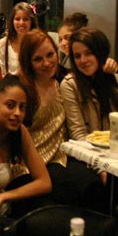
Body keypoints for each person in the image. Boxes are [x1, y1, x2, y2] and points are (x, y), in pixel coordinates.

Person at [17, 29, 104, 207]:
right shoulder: (22, 90)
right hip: (30, 165)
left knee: (92, 186)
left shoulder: (62, 81)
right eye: (38, 59)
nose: (47, 63)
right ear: (28, 62)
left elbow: (90, 74)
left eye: (50, 55)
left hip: (61, 158)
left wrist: (108, 64)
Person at [0, 74, 52, 218]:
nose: (17, 113)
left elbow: (44, 182)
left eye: (22, 107)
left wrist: (3, 197)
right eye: (10, 105)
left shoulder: (19, 132)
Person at [61, 27, 118, 141]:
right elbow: (78, 133)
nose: (83, 60)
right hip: (85, 149)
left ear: (100, 52)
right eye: (77, 56)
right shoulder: (70, 85)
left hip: (117, 147)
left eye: (89, 53)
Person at [0, 2, 38, 75]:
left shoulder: (38, 44)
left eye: (25, 19)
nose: (21, 23)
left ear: (32, 22)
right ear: (12, 21)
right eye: (17, 19)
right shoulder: (3, 44)